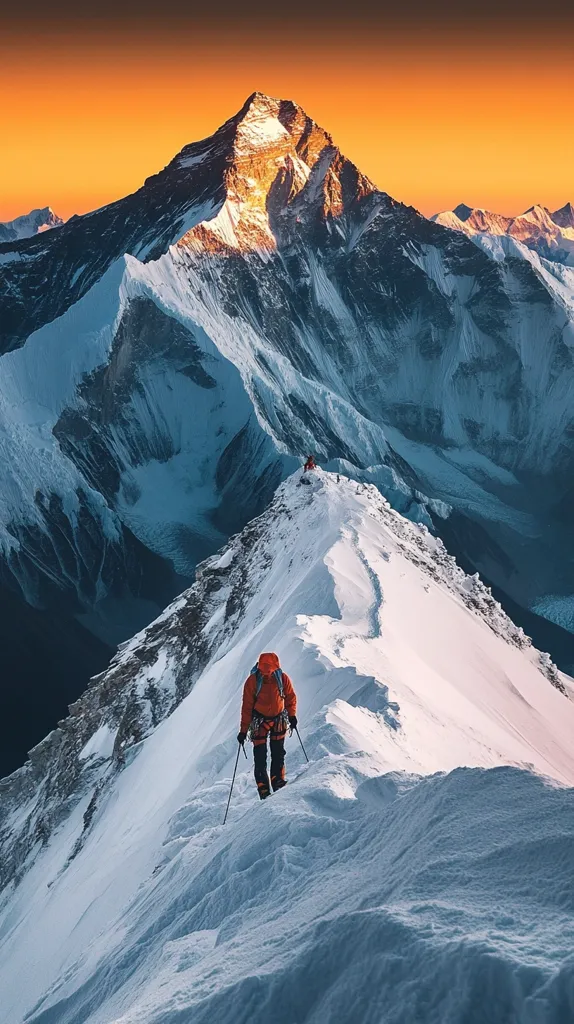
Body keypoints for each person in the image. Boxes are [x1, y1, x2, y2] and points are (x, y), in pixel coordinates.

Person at [237, 652, 297, 799]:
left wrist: (292, 715)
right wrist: (243, 730)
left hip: (264, 721)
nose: (266, 674)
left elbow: (290, 697)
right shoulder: (256, 681)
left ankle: (272, 784)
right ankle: (271, 784)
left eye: (268, 671)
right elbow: (247, 706)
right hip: (270, 720)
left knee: (271, 754)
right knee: (265, 755)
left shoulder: (278, 679)